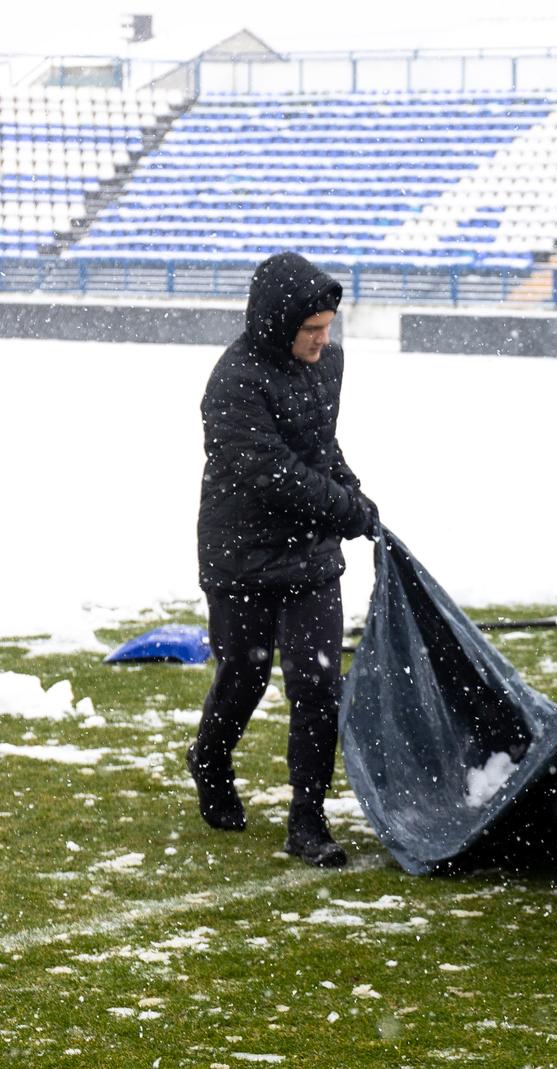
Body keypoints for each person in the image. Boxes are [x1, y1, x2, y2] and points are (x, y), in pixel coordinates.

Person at [188, 251, 378, 869]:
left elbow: (319, 446)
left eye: (328, 328)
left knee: (318, 684)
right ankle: (210, 760)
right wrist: (346, 510)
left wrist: (354, 492)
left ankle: (308, 817)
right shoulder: (234, 382)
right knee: (243, 676)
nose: (324, 341)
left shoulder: (327, 364)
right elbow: (275, 475)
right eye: (311, 330)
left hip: (309, 555)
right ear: (278, 325)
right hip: (240, 556)